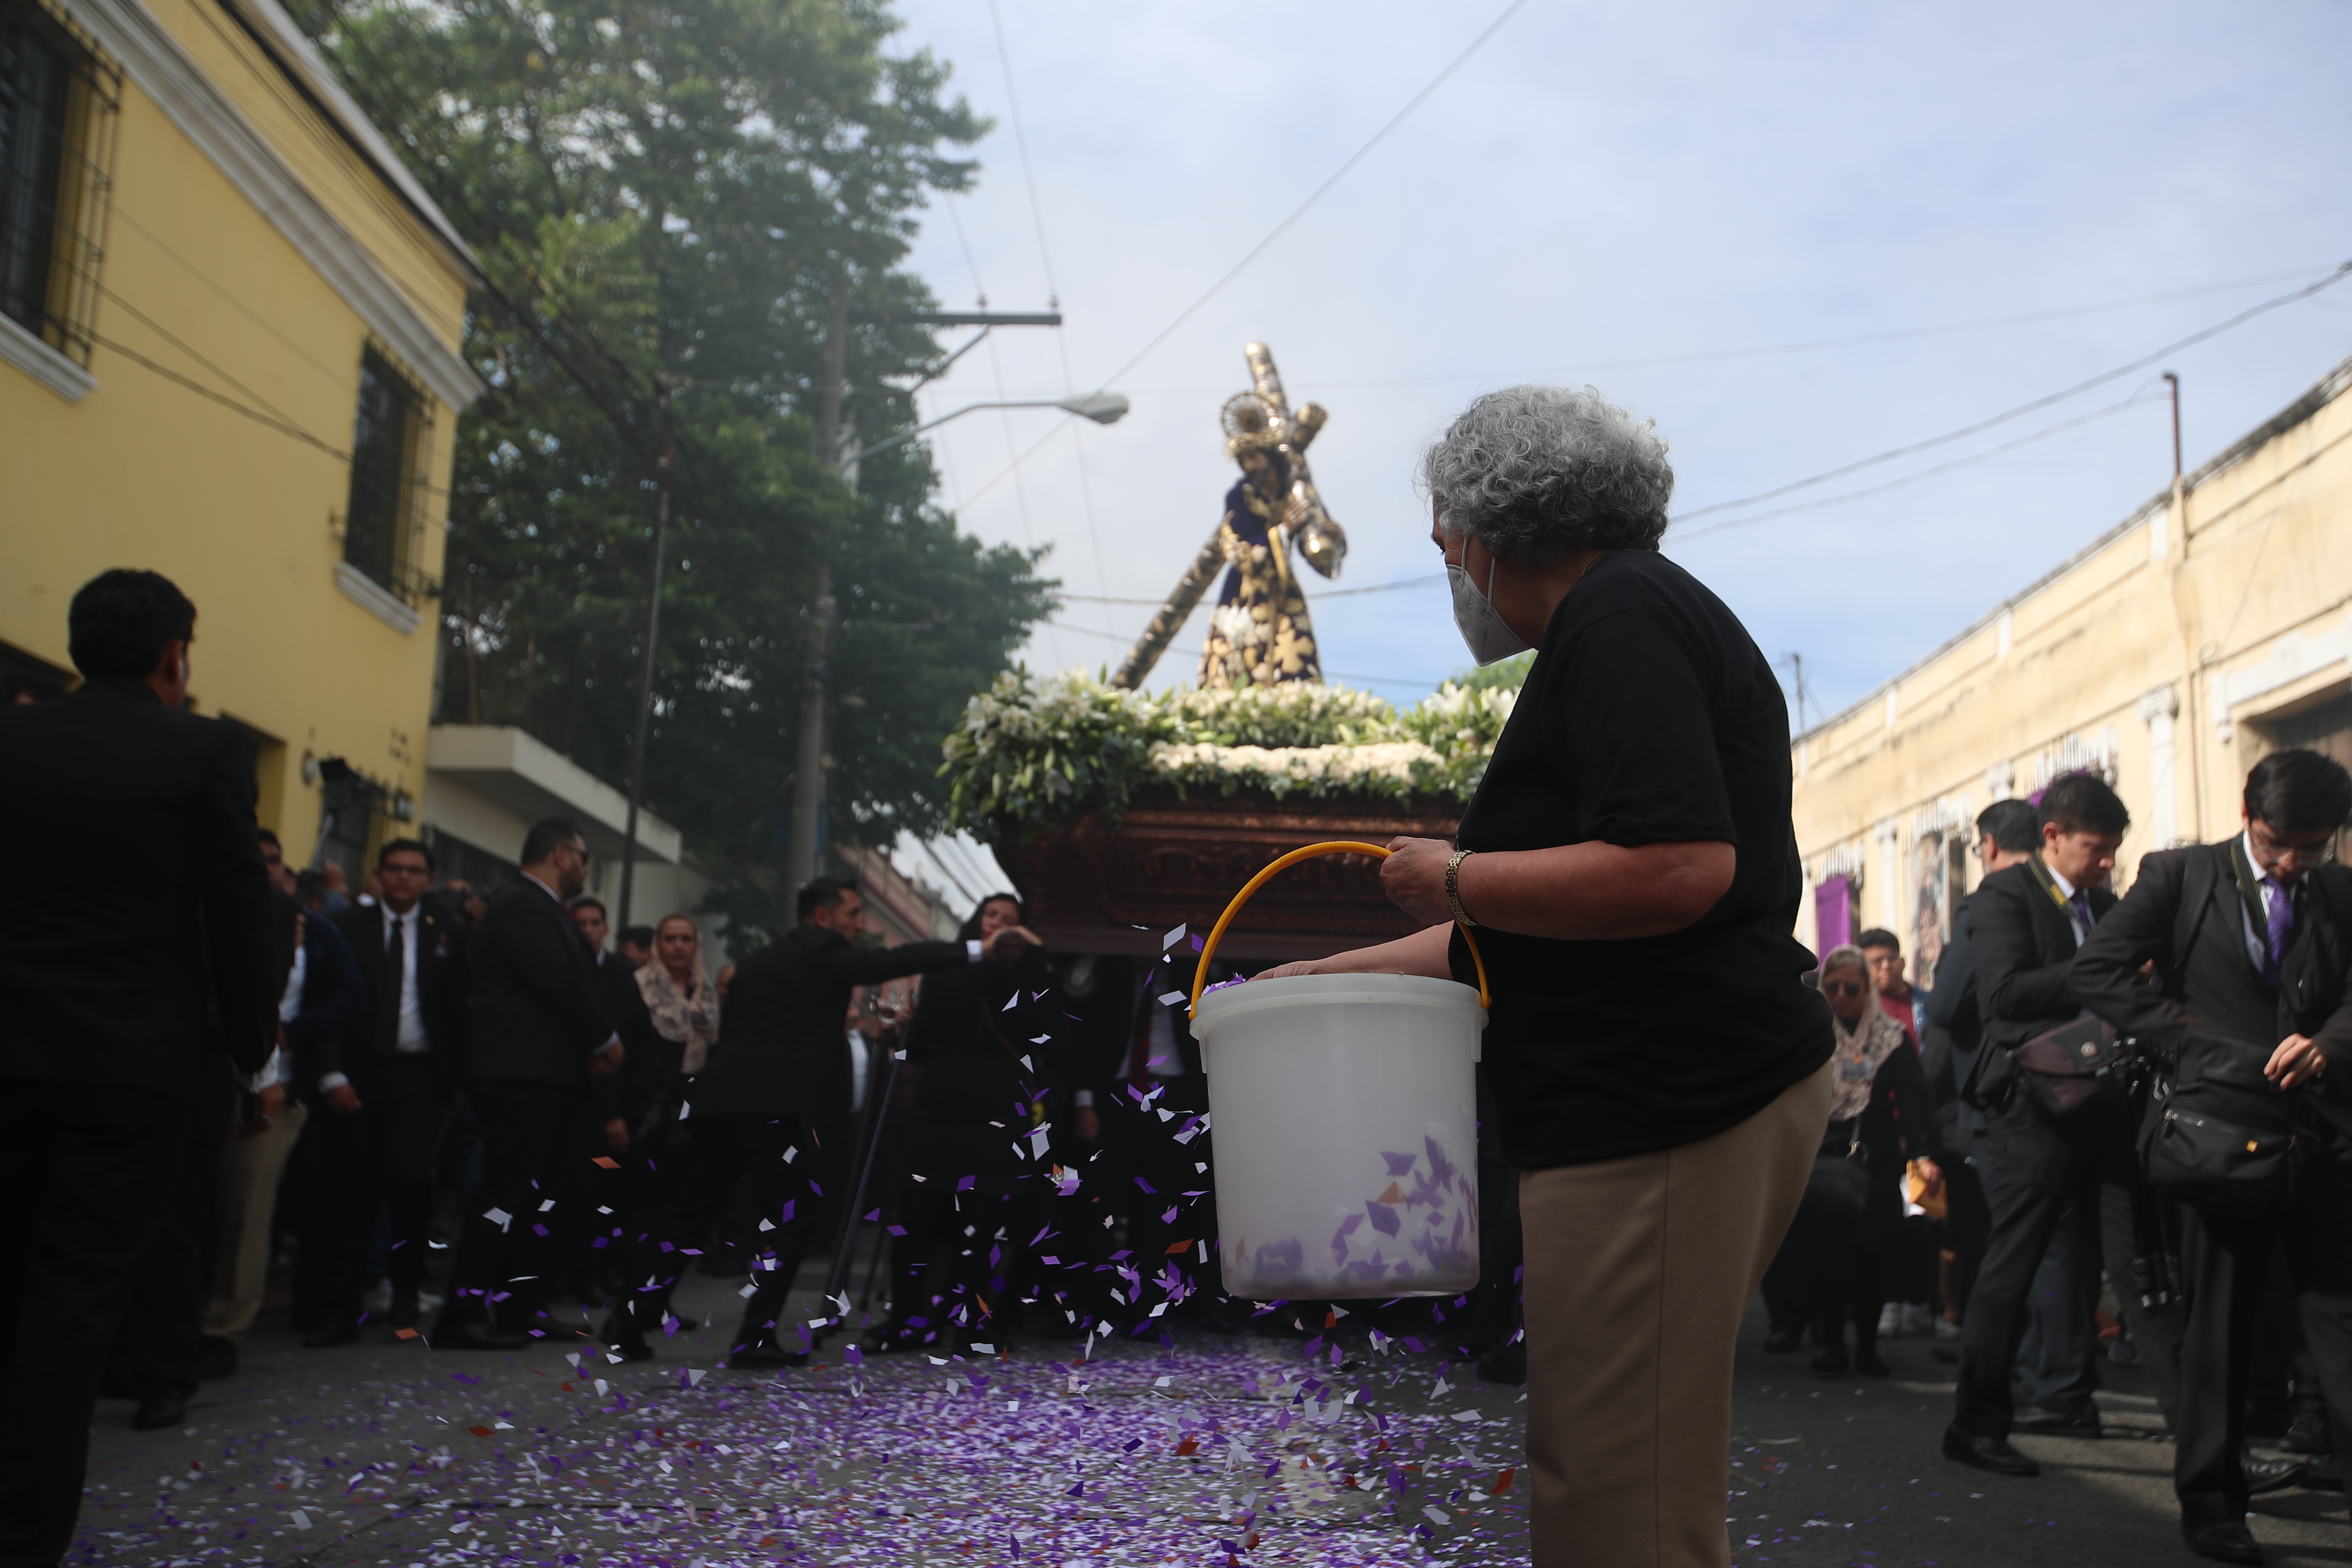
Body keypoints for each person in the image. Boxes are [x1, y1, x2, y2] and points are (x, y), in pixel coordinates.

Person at [1259, 386, 1832, 1568]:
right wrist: (1318, 976)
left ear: (1492, 530)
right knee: (1602, 1470)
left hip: (1668, 1103)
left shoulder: (1620, 614)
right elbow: (1516, 936)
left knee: (1624, 1499)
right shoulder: (1622, 620)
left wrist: (1458, 875)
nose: (1452, 575)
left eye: (1445, 549)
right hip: (1647, 1104)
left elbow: (1676, 867)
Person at [0, 570, 279, 1566]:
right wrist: (251, 1050)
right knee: (73, 1299)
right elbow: (240, 911)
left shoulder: (13, 737)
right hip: (130, 1067)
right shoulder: (203, 750)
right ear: (175, 655)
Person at [2074, 749, 2352, 1566]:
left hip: (2325, 1138)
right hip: (2221, 1136)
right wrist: (2193, 1044)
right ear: (2246, 816)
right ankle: (2212, 1503)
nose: (2293, 861)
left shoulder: (2340, 890)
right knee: (2219, 1328)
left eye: (2312, 846)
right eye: (2277, 844)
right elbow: (2098, 970)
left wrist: (2332, 1043)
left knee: (2339, 1320)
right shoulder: (2180, 876)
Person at [603, 877, 1033, 1366]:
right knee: (794, 1216)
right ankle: (754, 1338)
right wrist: (980, 949)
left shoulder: (759, 961)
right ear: (824, 918)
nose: (859, 925)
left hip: (720, 1102)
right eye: (853, 914)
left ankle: (630, 1319)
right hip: (769, 1106)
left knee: (688, 1216)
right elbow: (889, 962)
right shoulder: (823, 950)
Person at [1941, 772, 2186, 1473]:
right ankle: (1977, 1423)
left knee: (2141, 1267)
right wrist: (2101, 969)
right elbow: (2003, 995)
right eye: (2095, 848)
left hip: (2108, 1103)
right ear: (2052, 836)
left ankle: (2205, 1440)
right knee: (2013, 1263)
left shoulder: (2104, 904)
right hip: (2032, 1107)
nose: (2107, 862)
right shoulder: (2003, 897)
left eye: (2114, 850)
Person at [432, 818, 622, 1349]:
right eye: (583, 858)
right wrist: (603, 1039)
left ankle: (520, 1307)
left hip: (547, 1075)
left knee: (538, 1198)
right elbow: (557, 982)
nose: (586, 869)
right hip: (519, 1074)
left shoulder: (541, 908)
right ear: (561, 856)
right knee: (506, 1193)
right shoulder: (521, 905)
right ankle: (463, 1312)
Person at [302, 839, 469, 1340]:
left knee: (411, 1183)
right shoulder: (347, 926)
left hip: (419, 1078)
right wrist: (331, 1074)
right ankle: (341, 1310)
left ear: (428, 880)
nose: (403, 877)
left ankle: (405, 1289)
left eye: (414, 870)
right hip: (359, 1072)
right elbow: (323, 998)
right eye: (394, 869)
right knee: (349, 1192)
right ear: (379, 874)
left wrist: (450, 1091)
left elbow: (458, 1014)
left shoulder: (449, 932)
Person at [884, 894, 1062, 1352]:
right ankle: (906, 1320)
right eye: (991, 916)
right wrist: (984, 959)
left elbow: (1037, 1025)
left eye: (1010, 922)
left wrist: (1030, 956)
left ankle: (973, 1325)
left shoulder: (1027, 972)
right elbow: (941, 1013)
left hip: (997, 1111)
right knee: (916, 1219)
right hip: (938, 1108)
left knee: (983, 1225)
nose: (998, 925)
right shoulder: (949, 960)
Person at [1921, 800, 2039, 1347]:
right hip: (2075, 1083)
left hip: (2003, 1093)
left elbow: (1945, 1007)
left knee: (2010, 1235)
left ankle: (2019, 1357)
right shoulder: (2071, 901)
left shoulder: (1986, 905)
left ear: (1988, 846)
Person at [1794, 946, 1935, 1378]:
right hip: (1823, 1152)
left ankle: (1869, 1349)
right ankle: (1834, 1347)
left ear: (1866, 990)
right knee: (1827, 1255)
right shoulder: (1810, 1033)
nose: (1841, 997)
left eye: (1851, 989)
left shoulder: (1890, 1035)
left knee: (1872, 1255)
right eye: (1833, 987)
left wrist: (1923, 1153)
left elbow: (1913, 1098)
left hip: (1876, 1156)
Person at [1196, 425, 1323, 686]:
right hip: (1245, 592)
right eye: (1243, 461)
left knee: (1293, 652)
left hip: (1282, 587)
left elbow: (1314, 537)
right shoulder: (1239, 496)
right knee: (1239, 658)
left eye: (1254, 457)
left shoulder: (1292, 490)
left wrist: (1326, 536)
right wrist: (1282, 531)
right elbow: (1239, 549)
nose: (1249, 466)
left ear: (1270, 456)